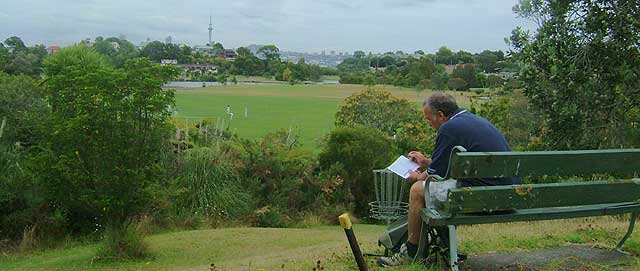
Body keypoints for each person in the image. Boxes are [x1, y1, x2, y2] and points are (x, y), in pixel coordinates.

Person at [377, 92, 521, 267]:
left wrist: (416, 177)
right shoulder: (472, 120)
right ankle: (444, 245)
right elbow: (454, 168)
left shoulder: (448, 128)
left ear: (441, 115)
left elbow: (433, 176)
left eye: (428, 119)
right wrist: (427, 162)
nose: (428, 123)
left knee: (417, 190)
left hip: (483, 198)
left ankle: (411, 252)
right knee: (442, 190)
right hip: (507, 195)